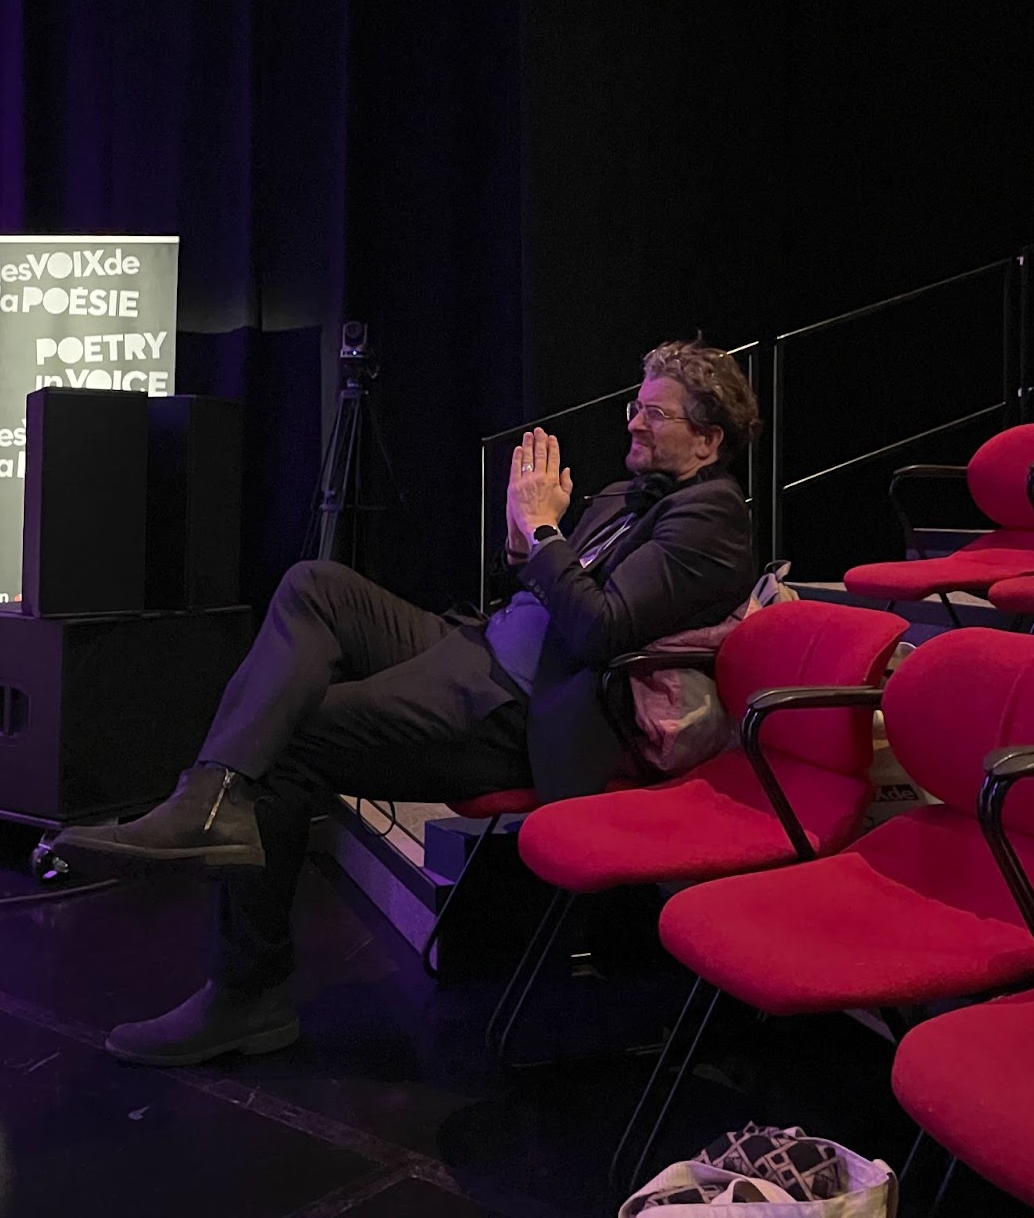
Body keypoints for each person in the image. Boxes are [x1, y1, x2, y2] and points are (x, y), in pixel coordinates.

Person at [54, 334, 760, 1065]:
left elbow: (597, 628)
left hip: (526, 705)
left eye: (655, 414)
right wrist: (523, 547)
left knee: (289, 738)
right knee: (313, 583)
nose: (633, 423)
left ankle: (246, 992)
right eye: (634, 407)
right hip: (483, 646)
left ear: (707, 440)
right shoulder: (622, 495)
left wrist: (542, 525)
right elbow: (540, 587)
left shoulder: (711, 520)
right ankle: (209, 796)